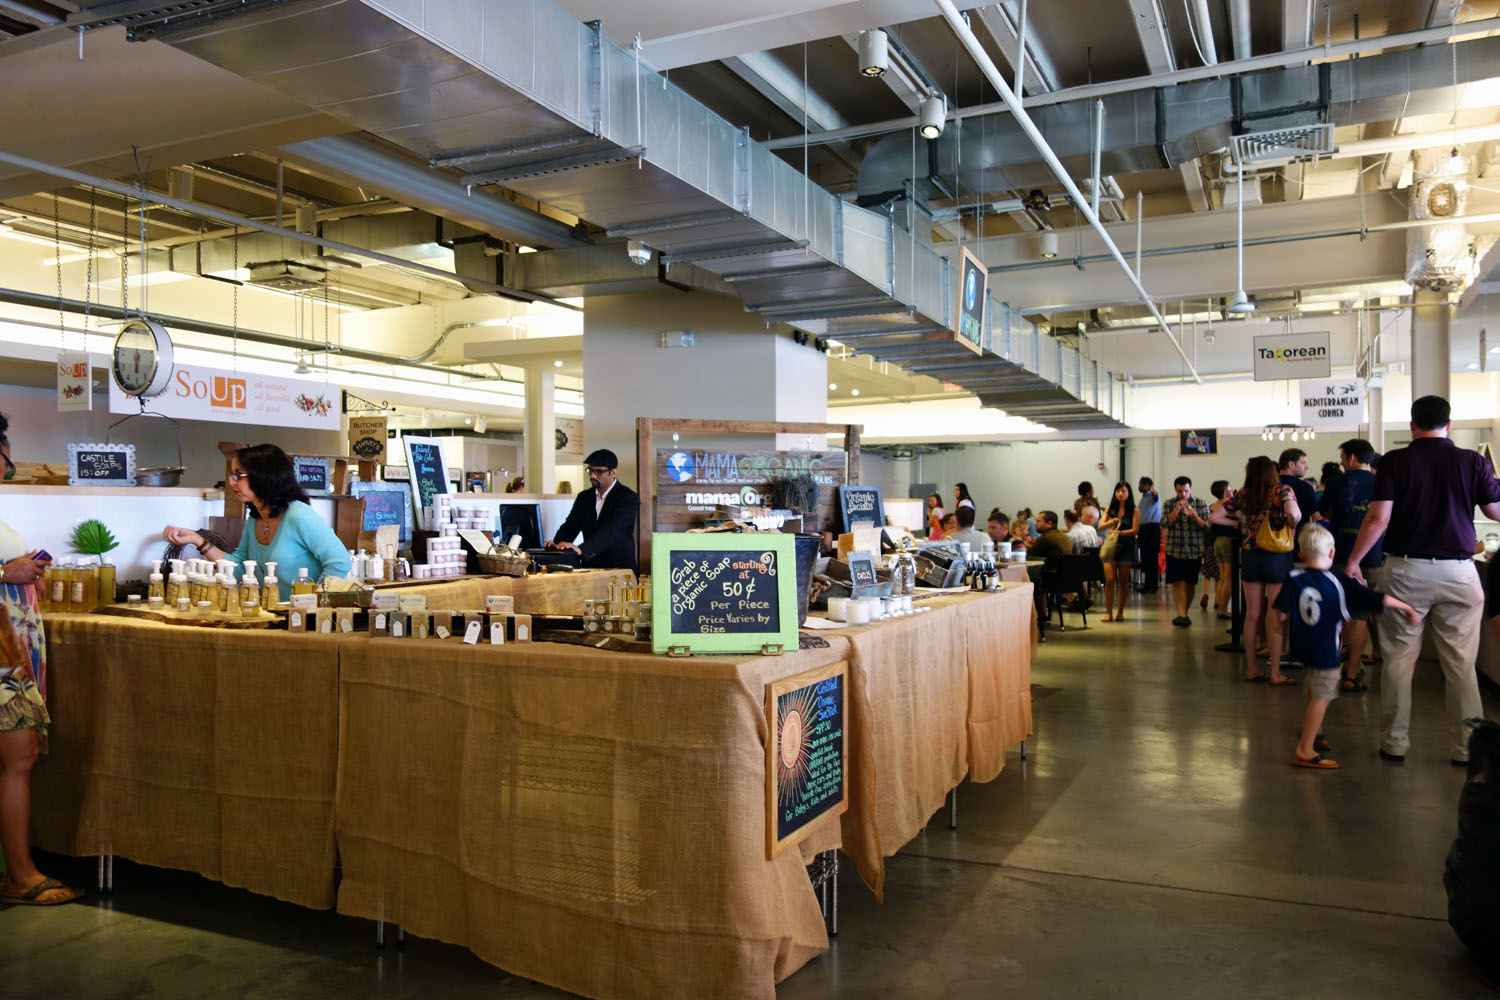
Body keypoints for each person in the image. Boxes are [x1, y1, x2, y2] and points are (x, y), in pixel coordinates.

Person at [1344, 395, 1500, 766]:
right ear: (1450, 424)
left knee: (1399, 661)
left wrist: (1353, 561)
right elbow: (1495, 511)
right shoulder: (1473, 461)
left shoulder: (1395, 461)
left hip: (1406, 571)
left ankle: (1394, 743)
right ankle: (1466, 749)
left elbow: (1379, 519)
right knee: (1461, 665)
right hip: (1459, 572)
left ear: (1412, 425)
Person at [0, 412, 83, 906]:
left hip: (11, 649)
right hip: (2, 654)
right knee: (21, 753)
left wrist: (22, 569)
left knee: (19, 755)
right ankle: (20, 875)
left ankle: (18, 872)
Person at [1276, 525, 1419, 770]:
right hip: (1327, 651)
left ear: (1300, 553)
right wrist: (1407, 608)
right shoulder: (1340, 582)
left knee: (1313, 687)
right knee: (1322, 698)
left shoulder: (1294, 577)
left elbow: (1280, 614)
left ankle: (1315, 731)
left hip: (1302, 648)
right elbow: (1377, 599)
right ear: (1332, 553)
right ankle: (1304, 750)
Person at [164, 444, 351, 601]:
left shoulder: (299, 515)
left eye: (238, 475)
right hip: (275, 615)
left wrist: (313, 602)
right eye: (232, 475)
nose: (232, 482)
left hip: (303, 619)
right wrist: (197, 540)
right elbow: (239, 568)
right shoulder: (255, 519)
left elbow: (340, 562)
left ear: (263, 476)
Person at [1212, 456, 1301, 685]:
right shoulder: (1283, 490)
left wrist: (1239, 523)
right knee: (1274, 615)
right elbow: (1295, 514)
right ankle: (1276, 673)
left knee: (1252, 615)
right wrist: (1291, 524)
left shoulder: (1244, 494)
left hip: (1251, 556)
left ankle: (1251, 669)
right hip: (1277, 557)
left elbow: (1214, 516)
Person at [1319, 438, 1384, 691]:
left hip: (1341, 557)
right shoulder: (1382, 482)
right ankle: (1352, 671)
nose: (1342, 463)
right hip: (1373, 558)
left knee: (1344, 613)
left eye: (1343, 458)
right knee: (1361, 614)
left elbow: (1325, 512)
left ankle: (1345, 667)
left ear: (1352, 457)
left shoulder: (1336, 482)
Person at [547, 449, 640, 571]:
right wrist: (557, 545)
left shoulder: (627, 497)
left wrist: (582, 549)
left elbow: (612, 531)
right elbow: (570, 526)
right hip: (591, 567)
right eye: (590, 470)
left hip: (619, 568)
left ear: (613, 472)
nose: (592, 476)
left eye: (599, 472)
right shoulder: (584, 497)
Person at [1162, 476, 1210, 628]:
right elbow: (1165, 523)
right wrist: (1177, 509)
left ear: (1190, 489)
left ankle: (1184, 613)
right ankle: (1181, 614)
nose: (1183, 494)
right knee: (1177, 581)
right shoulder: (1169, 503)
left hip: (1195, 550)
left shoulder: (1200, 503)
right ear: (1175, 490)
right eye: (1180, 491)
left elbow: (1207, 526)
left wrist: (1195, 516)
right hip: (1175, 549)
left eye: (1186, 491)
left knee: (1190, 583)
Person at [1098, 482, 1139, 622]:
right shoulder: (1110, 509)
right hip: (1111, 547)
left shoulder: (1134, 510)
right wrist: (1111, 522)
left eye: (1123, 491)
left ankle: (1120, 611)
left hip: (1126, 547)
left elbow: (1135, 530)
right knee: (1109, 580)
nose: (1120, 494)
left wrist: (1120, 532)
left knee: (1123, 581)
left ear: (1128, 493)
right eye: (1118, 491)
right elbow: (1100, 526)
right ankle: (1108, 612)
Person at [1027, 511, 1073, 623]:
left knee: (1036, 582)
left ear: (1049, 523)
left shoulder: (1044, 539)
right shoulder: (1063, 535)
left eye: (1039, 521)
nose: (1035, 524)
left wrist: (1025, 545)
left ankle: (1042, 616)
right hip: (1067, 578)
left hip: (1053, 579)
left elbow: (1031, 555)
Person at [1207, 480, 1236, 620]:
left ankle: (1220, 605)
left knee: (1222, 577)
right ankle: (1224, 609)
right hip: (1228, 542)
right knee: (1228, 578)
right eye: (1230, 488)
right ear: (1225, 491)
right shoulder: (1228, 506)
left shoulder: (1213, 506)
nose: (1232, 490)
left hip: (1217, 542)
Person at [1278, 448, 1317, 531]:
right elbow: (1316, 516)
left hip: (1268, 536)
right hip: (1298, 535)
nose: (1307, 467)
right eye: (1303, 463)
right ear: (1291, 464)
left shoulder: (1270, 485)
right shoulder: (1305, 487)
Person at [1136, 477, 1162, 593]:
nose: (1139, 486)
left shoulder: (1153, 496)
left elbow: (1156, 496)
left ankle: (1153, 586)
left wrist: (1152, 490)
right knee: (1145, 559)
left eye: (1141, 484)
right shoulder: (1143, 499)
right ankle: (1147, 585)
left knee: (1152, 559)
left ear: (1148, 486)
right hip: (1143, 530)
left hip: (1152, 529)